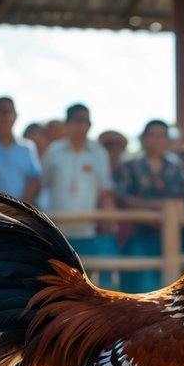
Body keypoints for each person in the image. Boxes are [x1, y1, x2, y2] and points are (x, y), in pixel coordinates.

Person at [42, 103, 116, 284]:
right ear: (67, 124)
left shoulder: (98, 153)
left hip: (88, 231)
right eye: (77, 120)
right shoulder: (53, 151)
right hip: (58, 231)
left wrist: (108, 218)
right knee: (57, 284)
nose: (82, 125)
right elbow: (45, 183)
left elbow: (105, 190)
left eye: (86, 121)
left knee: (87, 285)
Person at [115, 119, 184, 293]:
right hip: (136, 234)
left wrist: (159, 209)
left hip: (171, 236)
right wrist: (157, 208)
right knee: (138, 289)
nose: (157, 140)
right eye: (153, 135)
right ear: (143, 139)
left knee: (169, 288)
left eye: (162, 136)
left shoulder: (177, 168)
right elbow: (123, 197)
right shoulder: (130, 166)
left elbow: (183, 198)